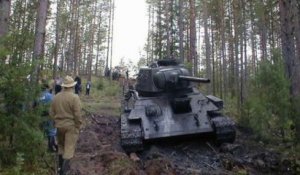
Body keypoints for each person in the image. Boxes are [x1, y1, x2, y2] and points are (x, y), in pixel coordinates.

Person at [50, 76, 83, 175]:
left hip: (59, 126)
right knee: (69, 149)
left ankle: (60, 168)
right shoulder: (74, 97)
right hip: (70, 127)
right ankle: (64, 172)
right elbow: (77, 114)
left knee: (60, 147)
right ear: (72, 86)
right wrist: (78, 125)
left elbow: (51, 113)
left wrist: (55, 122)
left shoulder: (56, 97)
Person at [39, 84, 57, 152]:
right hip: (49, 115)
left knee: (41, 131)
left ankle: (39, 147)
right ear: (47, 88)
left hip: (40, 116)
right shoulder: (50, 96)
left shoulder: (38, 96)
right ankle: (50, 147)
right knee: (51, 131)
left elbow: (34, 105)